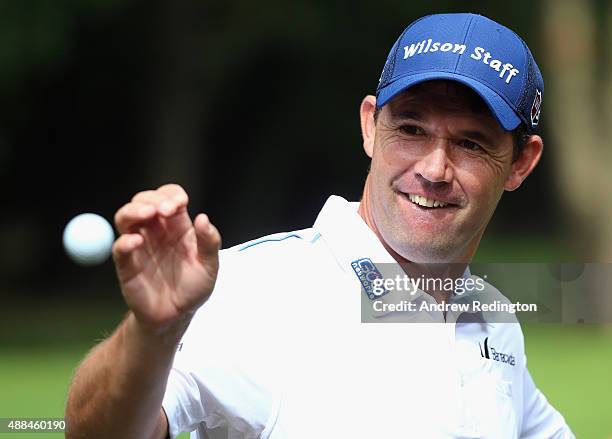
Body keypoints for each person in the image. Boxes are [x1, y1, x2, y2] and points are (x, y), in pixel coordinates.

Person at [65, 13, 574, 439]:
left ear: (521, 163)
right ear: (370, 126)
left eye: (471, 143)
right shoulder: (258, 289)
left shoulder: (491, 318)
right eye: (412, 129)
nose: (434, 169)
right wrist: (153, 332)